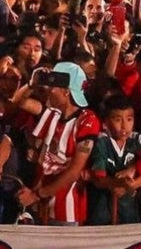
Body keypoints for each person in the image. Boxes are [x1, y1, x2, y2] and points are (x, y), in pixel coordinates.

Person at [14, 62, 99, 225]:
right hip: (40, 203)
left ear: (66, 92)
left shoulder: (87, 120)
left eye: (52, 87)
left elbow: (74, 172)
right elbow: (18, 102)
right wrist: (31, 84)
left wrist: (36, 195)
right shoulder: (52, 114)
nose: (48, 90)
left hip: (65, 208)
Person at [88, 94, 141, 225]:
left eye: (129, 119)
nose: (124, 126)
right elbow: (99, 178)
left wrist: (134, 176)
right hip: (103, 208)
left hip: (130, 209)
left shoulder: (137, 140)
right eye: (117, 120)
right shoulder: (101, 142)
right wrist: (119, 183)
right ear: (105, 123)